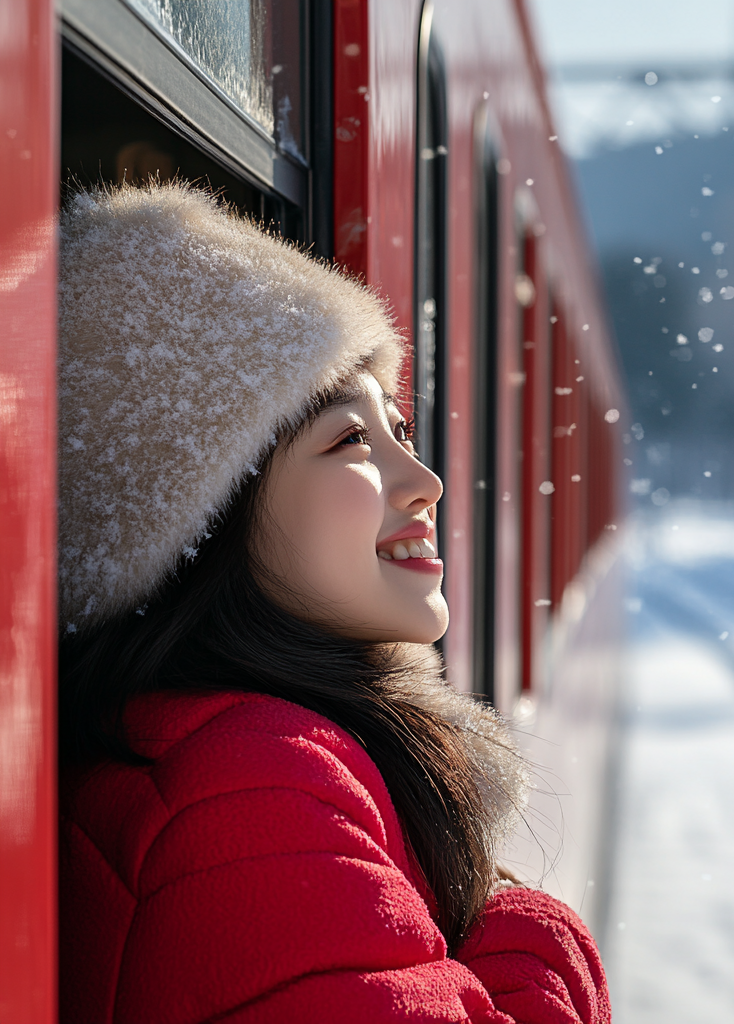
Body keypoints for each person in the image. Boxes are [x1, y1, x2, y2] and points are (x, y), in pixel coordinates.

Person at [57, 183, 610, 1024]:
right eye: (351, 438)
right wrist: (530, 931)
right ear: (202, 513)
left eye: (402, 432)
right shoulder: (254, 784)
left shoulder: (202, 747)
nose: (424, 484)